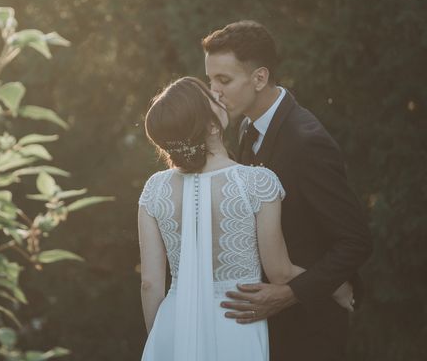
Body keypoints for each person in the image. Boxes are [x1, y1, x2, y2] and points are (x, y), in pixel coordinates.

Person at [137, 77, 352, 361]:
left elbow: (150, 283)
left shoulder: (155, 188)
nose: (218, 95)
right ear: (212, 126)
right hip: (236, 325)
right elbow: (280, 272)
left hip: (173, 326)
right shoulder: (256, 183)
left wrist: (162, 336)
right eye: (212, 98)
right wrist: (336, 285)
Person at [203, 20, 373, 361]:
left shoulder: (306, 142)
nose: (214, 92)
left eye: (224, 80)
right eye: (210, 80)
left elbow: (356, 241)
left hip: (309, 331)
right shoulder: (246, 127)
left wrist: (290, 292)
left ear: (259, 78)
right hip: (266, 328)